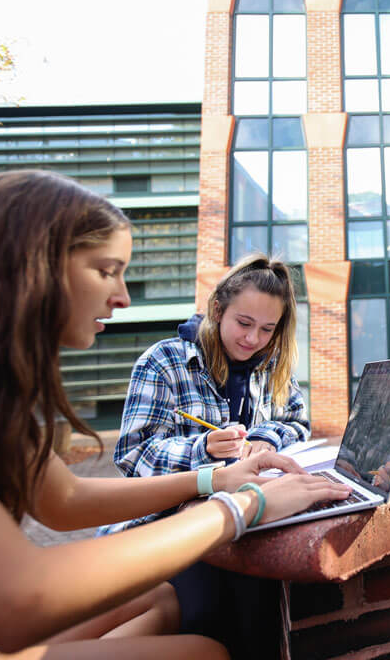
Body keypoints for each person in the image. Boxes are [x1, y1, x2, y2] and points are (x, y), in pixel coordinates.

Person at [0, 171, 351, 660]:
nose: (124, 297)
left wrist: (217, 479)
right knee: (204, 653)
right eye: (107, 270)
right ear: (34, 264)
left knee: (158, 598)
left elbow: (64, 502)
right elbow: (11, 604)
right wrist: (245, 506)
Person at [99, 254, 311, 656]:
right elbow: (133, 455)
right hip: (169, 526)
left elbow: (297, 421)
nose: (253, 340)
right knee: (208, 615)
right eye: (244, 324)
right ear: (218, 309)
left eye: (268, 329)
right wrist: (203, 449)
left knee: (264, 611)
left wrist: (266, 438)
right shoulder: (164, 362)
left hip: (242, 519)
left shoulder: (272, 365)